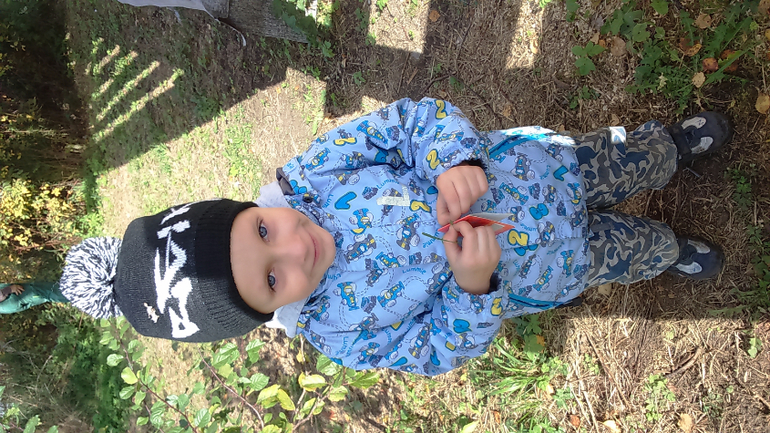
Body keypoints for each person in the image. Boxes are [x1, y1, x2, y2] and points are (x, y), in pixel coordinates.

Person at [59, 98, 730, 376]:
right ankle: (666, 252)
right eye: (271, 277)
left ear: (247, 208)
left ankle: (668, 148)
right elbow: (434, 351)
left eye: (262, 228)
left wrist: (453, 161)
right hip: (551, 266)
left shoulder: (315, 174)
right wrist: (472, 289)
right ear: (265, 312)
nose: (293, 247)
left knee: (619, 161)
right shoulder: (339, 332)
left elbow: (407, 123)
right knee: (623, 253)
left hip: (544, 172)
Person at [0, 282, 70, 314]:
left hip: (33, 291)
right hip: (31, 293)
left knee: (53, 291)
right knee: (55, 292)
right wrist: (8, 289)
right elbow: (15, 303)